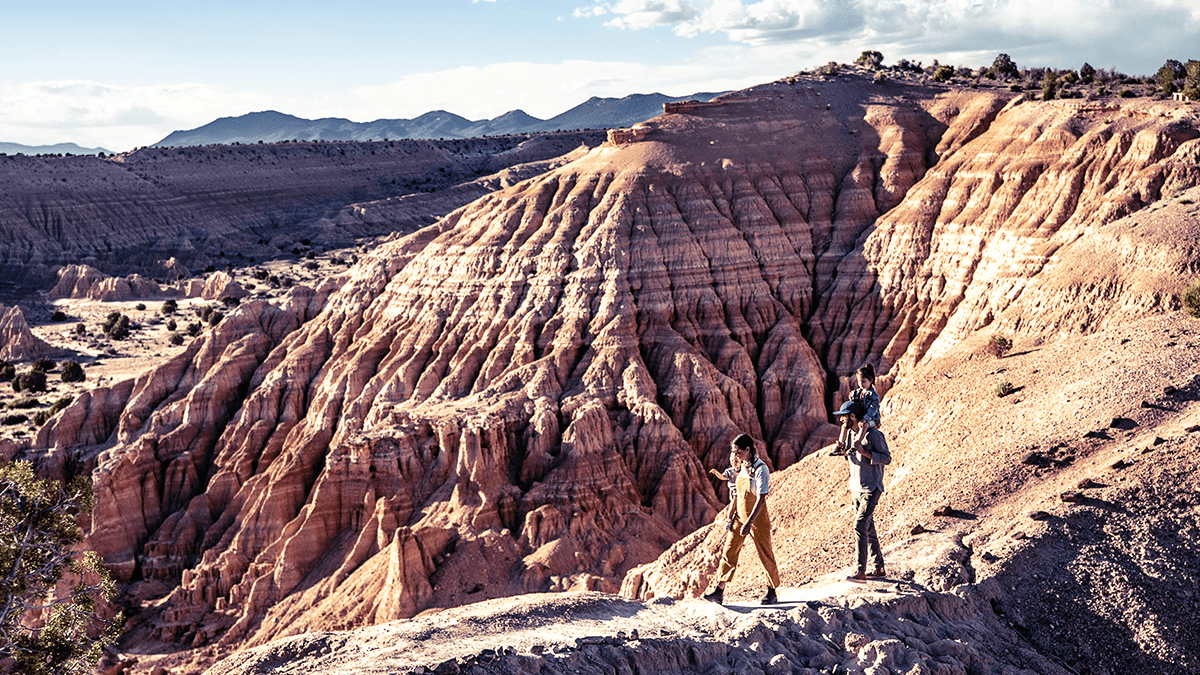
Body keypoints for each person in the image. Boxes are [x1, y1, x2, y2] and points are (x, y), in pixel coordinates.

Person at [703, 434, 781, 605]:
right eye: (733, 452)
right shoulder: (742, 467)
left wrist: (750, 521)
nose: (735, 455)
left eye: (738, 452)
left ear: (748, 450)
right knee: (729, 551)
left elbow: (761, 499)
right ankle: (719, 591)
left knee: (765, 553)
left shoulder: (761, 469)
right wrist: (733, 517)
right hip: (739, 516)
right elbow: (736, 493)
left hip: (756, 518)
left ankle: (772, 591)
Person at [831, 399, 891, 581]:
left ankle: (861, 572)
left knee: (859, 526)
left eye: (844, 417)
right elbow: (853, 458)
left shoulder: (873, 435)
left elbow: (887, 458)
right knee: (869, 529)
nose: (841, 420)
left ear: (853, 416)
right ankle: (879, 567)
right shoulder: (850, 433)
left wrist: (864, 451)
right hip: (856, 488)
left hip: (871, 488)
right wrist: (843, 452)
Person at [834, 364, 881, 456]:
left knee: (864, 425)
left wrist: (865, 418)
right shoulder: (859, 392)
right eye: (859, 381)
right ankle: (840, 446)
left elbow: (873, 410)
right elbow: (855, 405)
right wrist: (852, 397)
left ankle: (855, 446)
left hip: (872, 420)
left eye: (863, 381)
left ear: (871, 380)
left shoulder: (874, 396)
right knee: (845, 425)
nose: (861, 384)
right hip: (861, 416)